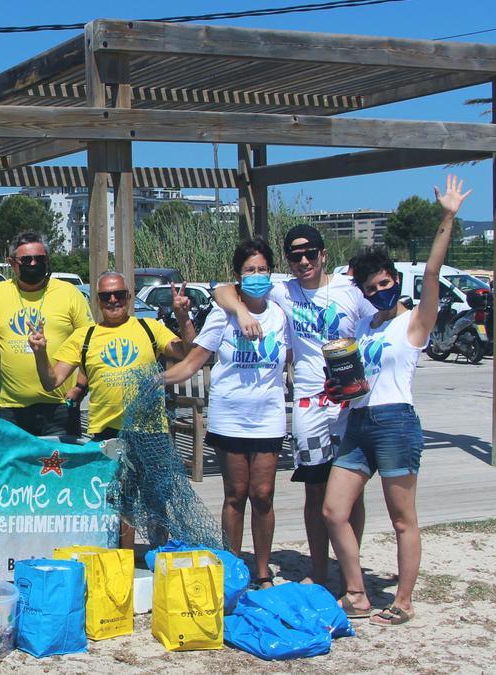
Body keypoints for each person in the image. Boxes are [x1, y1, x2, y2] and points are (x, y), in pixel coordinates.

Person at [325, 175, 469, 626]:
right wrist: (340, 388)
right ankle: (357, 593)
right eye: (370, 287)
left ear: (395, 280)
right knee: (334, 510)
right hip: (360, 419)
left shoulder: (414, 323)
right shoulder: (367, 326)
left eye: (384, 283)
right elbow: (358, 377)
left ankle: (402, 601)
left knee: (402, 518)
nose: (377, 291)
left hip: (395, 422)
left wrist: (447, 216)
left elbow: (430, 272)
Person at [212, 224, 375, 586]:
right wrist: (241, 311)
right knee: (314, 490)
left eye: (310, 253)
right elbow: (223, 289)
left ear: (323, 254)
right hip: (310, 406)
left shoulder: (350, 290)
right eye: (295, 255)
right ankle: (319, 572)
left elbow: (381, 317)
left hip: (350, 405)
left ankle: (350, 571)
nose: (304, 261)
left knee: (353, 490)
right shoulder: (284, 290)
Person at [29, 270, 195, 549]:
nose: (114, 300)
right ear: (97, 301)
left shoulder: (148, 328)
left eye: (119, 294)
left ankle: (158, 556)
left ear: (129, 297)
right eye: (106, 296)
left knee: (156, 499)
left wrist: (182, 316)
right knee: (120, 502)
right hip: (106, 432)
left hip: (150, 429)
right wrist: (40, 352)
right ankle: (123, 560)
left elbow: (189, 353)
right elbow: (52, 381)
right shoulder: (85, 336)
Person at [162, 240, 291, 588]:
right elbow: (192, 360)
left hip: (268, 416)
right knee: (235, 493)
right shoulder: (223, 313)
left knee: (263, 493)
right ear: (238, 275)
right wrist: (154, 380)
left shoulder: (280, 312)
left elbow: (297, 356)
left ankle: (262, 571)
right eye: (250, 270)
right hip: (229, 416)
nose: (257, 276)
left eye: (263, 269)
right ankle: (233, 567)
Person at [0, 232, 92, 436]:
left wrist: (80, 387)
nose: (33, 264)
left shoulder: (69, 293)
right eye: (26, 259)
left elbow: (88, 345)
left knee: (60, 467)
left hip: (59, 406)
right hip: (10, 407)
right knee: (11, 467)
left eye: (39, 259)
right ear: (12, 262)